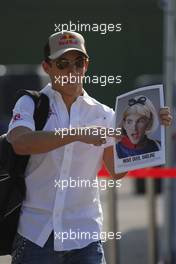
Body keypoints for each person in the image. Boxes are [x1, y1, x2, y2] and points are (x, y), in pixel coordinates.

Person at [7, 31, 172, 264]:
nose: (72, 71)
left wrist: (154, 131)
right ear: (47, 67)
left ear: (87, 65)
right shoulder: (30, 103)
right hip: (37, 234)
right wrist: (77, 134)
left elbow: (116, 170)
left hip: (86, 237)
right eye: (63, 63)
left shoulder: (104, 114)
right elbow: (20, 143)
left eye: (78, 62)